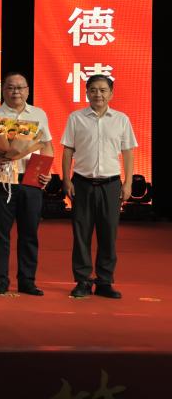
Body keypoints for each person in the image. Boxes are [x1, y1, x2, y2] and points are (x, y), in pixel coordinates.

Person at [61, 75, 138, 299]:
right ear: (86, 93)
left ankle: (104, 281)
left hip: (111, 184)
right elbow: (67, 151)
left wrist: (128, 183)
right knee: (81, 234)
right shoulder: (76, 118)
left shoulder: (121, 119)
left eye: (103, 90)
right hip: (82, 183)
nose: (98, 94)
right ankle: (83, 281)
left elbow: (128, 153)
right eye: (93, 90)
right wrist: (66, 180)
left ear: (111, 93)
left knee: (108, 234)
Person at [0, 72, 53, 296]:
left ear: (28, 90)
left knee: (29, 233)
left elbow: (47, 145)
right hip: (1, 179)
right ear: (4, 90)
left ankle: (27, 281)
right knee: (1, 233)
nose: (16, 91)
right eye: (11, 87)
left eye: (20, 87)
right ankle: (1, 280)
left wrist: (46, 172)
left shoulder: (39, 114)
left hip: (30, 180)